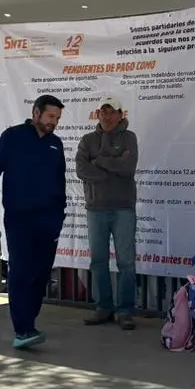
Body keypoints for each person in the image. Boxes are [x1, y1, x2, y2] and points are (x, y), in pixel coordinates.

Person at [0, 95, 66, 350]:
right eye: (50, 116)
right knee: (21, 270)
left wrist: (60, 214)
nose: (53, 122)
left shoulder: (56, 144)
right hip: (20, 217)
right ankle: (22, 329)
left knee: (41, 272)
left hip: (50, 219)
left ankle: (30, 323)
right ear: (36, 113)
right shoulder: (13, 137)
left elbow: (60, 181)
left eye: (57, 118)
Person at [75, 96, 139, 331]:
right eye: (103, 111)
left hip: (123, 208)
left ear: (121, 115)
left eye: (112, 112)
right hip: (96, 209)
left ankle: (125, 311)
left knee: (126, 262)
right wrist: (111, 168)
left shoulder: (129, 137)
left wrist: (99, 161)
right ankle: (103, 307)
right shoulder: (87, 140)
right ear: (98, 114)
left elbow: (128, 167)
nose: (107, 116)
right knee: (99, 261)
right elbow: (81, 169)